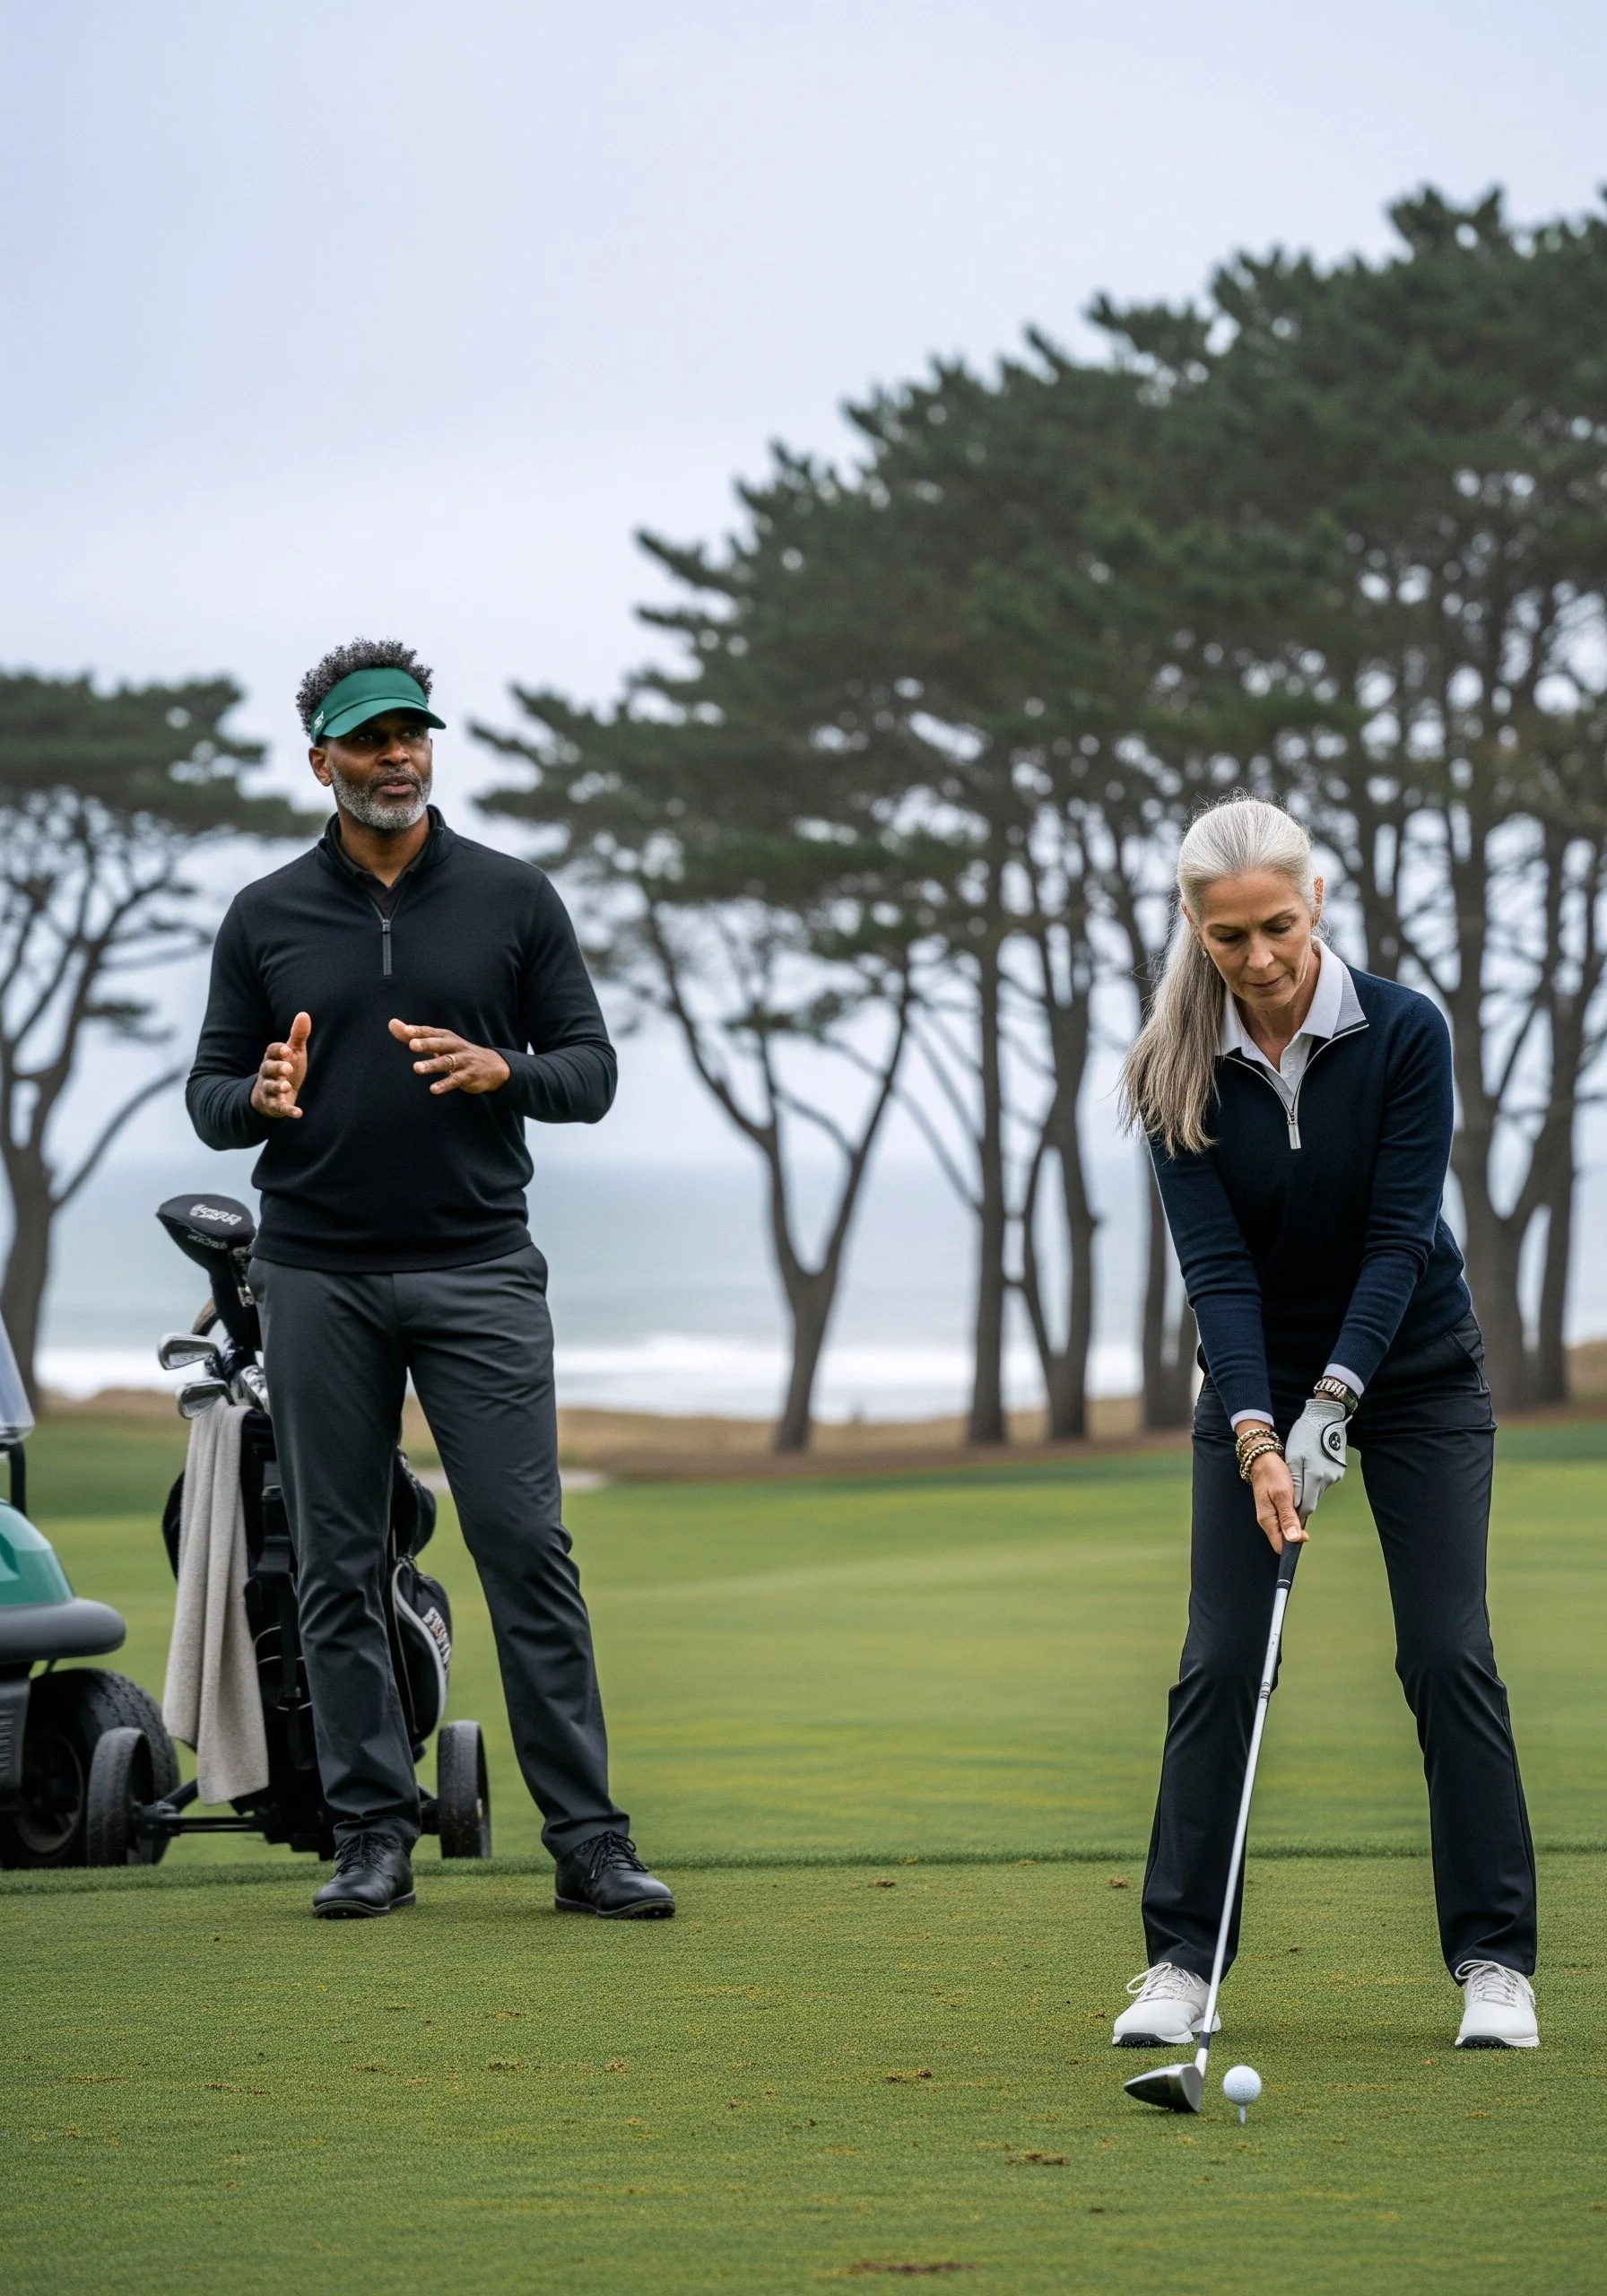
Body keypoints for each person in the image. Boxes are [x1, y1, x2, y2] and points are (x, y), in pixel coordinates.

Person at [187, 637, 673, 1922]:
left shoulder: (514, 899)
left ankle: (590, 1843)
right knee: (337, 1562)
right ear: (322, 763)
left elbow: (593, 1071)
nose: (397, 756)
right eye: (369, 739)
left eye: (412, 733)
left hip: (478, 1272)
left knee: (527, 1547)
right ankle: (370, 1836)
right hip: (317, 1276)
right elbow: (209, 1097)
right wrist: (259, 1096)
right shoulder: (264, 915)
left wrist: (504, 1067)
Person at [1110, 794, 1537, 2051]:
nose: (1259, 960)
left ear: (1317, 906)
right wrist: (1257, 1432)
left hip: (1416, 1378)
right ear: (1194, 926)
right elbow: (1217, 1273)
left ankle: (1495, 1963)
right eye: (1229, 936)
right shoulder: (1169, 1066)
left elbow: (1400, 1236)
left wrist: (1338, 1398)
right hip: (1251, 1384)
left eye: (1278, 928)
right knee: (1222, 1666)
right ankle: (1182, 1964)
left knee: (1446, 1652)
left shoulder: (1402, 1029)